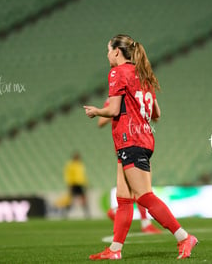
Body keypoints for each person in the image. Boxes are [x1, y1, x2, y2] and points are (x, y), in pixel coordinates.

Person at [84, 34, 197, 260]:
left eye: (108, 50)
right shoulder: (143, 74)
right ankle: (115, 250)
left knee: (144, 196)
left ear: (117, 51)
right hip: (141, 139)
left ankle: (184, 237)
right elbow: (157, 113)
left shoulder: (117, 72)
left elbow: (114, 110)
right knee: (124, 199)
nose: (107, 55)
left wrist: (96, 111)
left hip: (130, 141)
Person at [99, 98, 161, 234]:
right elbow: (101, 121)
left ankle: (119, 213)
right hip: (128, 144)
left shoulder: (135, 95)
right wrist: (115, 111)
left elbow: (155, 117)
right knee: (142, 188)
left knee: (138, 189)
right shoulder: (115, 98)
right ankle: (145, 224)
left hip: (139, 142)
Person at [64, 151, 90, 218]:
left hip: (80, 184)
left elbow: (83, 176)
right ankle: (65, 214)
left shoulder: (80, 164)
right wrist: (69, 184)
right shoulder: (70, 165)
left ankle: (87, 214)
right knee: (70, 200)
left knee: (84, 199)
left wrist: (86, 183)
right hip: (73, 184)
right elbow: (68, 175)